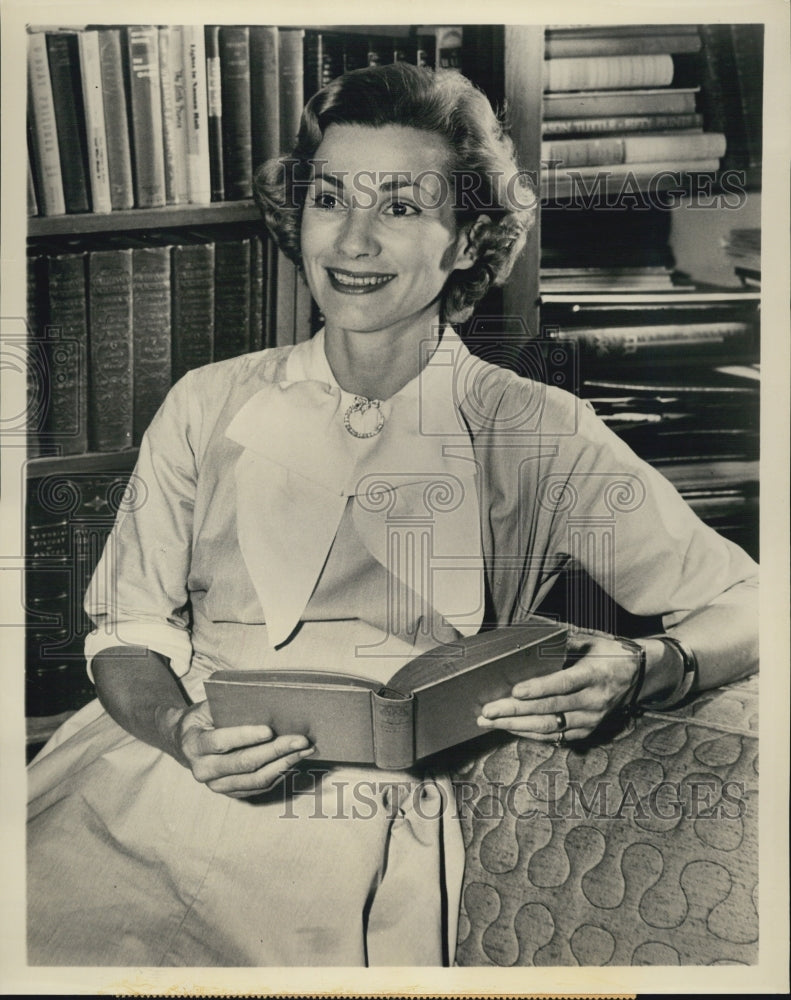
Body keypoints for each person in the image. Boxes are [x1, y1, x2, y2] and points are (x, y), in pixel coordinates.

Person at [27, 62, 758, 967]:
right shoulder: (205, 403)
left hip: (357, 836)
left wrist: (651, 666)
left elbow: (752, 604)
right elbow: (128, 627)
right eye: (330, 197)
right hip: (147, 785)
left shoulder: (535, 430)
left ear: (465, 243)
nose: (354, 239)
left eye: (403, 207)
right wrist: (181, 731)